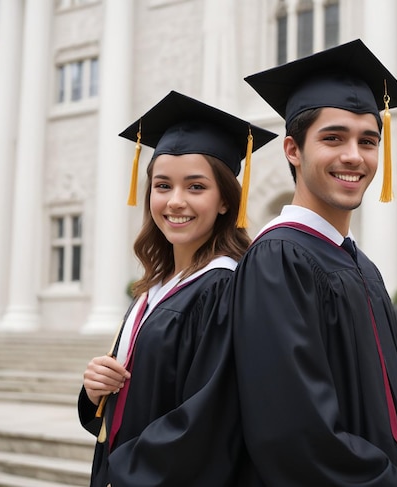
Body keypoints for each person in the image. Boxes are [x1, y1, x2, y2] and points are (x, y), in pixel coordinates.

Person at [230, 39, 397, 486]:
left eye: (368, 141)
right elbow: (292, 427)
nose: (354, 156)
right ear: (292, 149)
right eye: (333, 138)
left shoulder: (362, 266)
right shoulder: (279, 258)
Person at [78, 90, 276, 487]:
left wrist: (124, 470)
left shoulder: (226, 288)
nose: (175, 201)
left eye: (196, 187)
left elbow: (209, 421)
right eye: (162, 185)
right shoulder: (152, 289)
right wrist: (95, 390)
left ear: (225, 200)